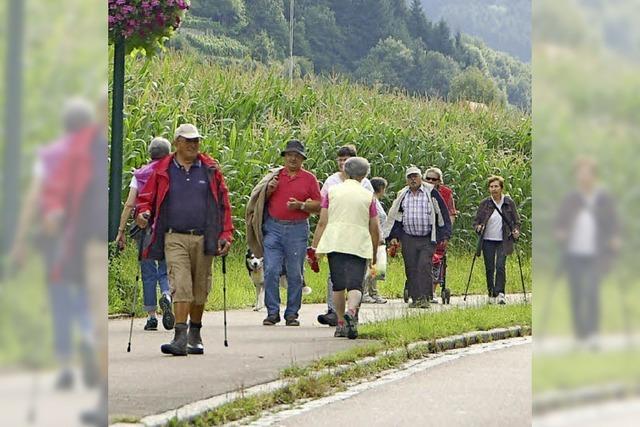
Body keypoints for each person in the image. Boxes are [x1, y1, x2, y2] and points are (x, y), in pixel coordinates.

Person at [10, 98, 96, 391]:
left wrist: (20, 241)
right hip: (86, 237)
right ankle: (87, 341)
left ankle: (64, 365)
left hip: (56, 236)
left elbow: (34, 199)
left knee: (59, 298)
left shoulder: (49, 155)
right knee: (85, 295)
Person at [136, 123, 233, 356]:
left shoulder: (210, 169)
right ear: (177, 142)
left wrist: (226, 233)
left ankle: (195, 333)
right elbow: (146, 197)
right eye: (188, 141)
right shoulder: (162, 169)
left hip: (204, 236)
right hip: (174, 236)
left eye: (196, 141)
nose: (193, 145)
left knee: (200, 289)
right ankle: (180, 337)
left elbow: (223, 204)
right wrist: (142, 213)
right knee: (180, 285)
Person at [311, 157, 380, 339]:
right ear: (365, 174)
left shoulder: (332, 192)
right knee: (356, 284)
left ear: (346, 172)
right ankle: (351, 311)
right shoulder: (368, 196)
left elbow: (322, 222)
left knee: (338, 285)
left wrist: (315, 248)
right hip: (358, 243)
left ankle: (341, 322)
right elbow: (375, 228)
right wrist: (374, 254)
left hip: (335, 241)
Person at [555, 157, 620, 340]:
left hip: (596, 253)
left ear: (594, 175)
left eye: (587, 173)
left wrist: (614, 237)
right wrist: (561, 232)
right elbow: (560, 221)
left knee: (592, 290)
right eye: (580, 173)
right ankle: (580, 332)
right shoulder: (571, 198)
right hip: (574, 253)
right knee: (575, 292)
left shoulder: (603, 198)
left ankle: (593, 332)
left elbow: (613, 221)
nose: (583, 176)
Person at [259, 139, 321, 326]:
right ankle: (272, 312)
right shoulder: (274, 177)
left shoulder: (309, 179)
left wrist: (300, 205)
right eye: (289, 155)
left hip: (297, 229)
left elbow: (319, 206)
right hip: (274, 228)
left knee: (295, 272)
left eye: (297, 156)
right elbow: (260, 200)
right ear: (285, 157)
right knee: (270, 270)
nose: (292, 158)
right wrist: (269, 191)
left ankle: (292, 313)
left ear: (302, 159)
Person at [115, 137, 174, 331]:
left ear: (150, 154)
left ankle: (151, 317)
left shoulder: (139, 175)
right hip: (167, 226)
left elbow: (130, 204)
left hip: (145, 227)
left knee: (147, 273)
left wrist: (121, 231)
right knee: (165, 269)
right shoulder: (172, 172)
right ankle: (166, 295)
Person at [383, 166, 451, 308]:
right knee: (411, 267)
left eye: (415, 176)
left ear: (421, 178)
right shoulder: (403, 195)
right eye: (410, 177)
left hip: (427, 237)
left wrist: (444, 234)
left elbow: (442, 213)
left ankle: (426, 298)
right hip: (408, 237)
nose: (413, 179)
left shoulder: (431, 193)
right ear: (407, 180)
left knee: (424, 265)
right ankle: (416, 298)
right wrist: (394, 236)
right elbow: (396, 216)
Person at [473, 175, 521, 305]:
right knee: (489, 267)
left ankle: (500, 293)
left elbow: (516, 221)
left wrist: (516, 231)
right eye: (491, 187)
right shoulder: (485, 203)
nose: (493, 189)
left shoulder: (508, 202)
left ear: (501, 188)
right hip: (487, 240)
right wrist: (478, 227)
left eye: (496, 186)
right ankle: (491, 292)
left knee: (500, 266)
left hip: (503, 240)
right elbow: (476, 221)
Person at [424, 167, 458, 303]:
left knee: (437, 260)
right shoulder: (419, 191)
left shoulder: (446, 193)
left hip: (439, 232)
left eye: (434, 179)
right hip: (423, 231)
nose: (431, 181)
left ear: (439, 181)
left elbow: (451, 214)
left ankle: (432, 290)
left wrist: (446, 234)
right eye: (428, 178)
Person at [362, 177, 388, 304]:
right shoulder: (371, 201)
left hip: (380, 238)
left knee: (376, 268)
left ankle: (374, 292)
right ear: (381, 189)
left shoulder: (376, 201)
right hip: (371, 238)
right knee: (368, 266)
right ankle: (365, 292)